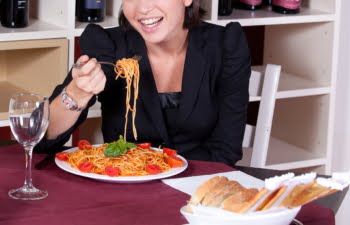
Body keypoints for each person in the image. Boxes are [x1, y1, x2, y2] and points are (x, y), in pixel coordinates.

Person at [35, 0, 251, 166]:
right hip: (124, 184)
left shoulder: (225, 46)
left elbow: (226, 150)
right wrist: (77, 92)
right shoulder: (109, 46)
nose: (143, 9)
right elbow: (43, 140)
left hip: (196, 188)